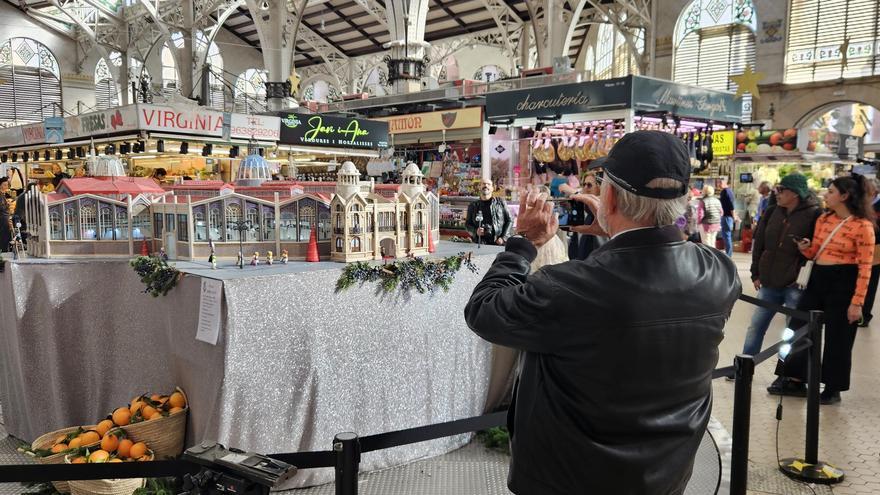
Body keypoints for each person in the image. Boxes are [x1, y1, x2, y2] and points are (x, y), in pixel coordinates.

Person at [464, 131, 741, 495]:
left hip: (569, 479)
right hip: (666, 474)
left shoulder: (569, 287)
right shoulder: (719, 273)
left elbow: (483, 311)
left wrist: (522, 246)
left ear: (607, 197)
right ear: (684, 199)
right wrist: (618, 233)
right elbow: (657, 270)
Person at [777, 175, 876, 405]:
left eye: (830, 191)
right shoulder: (823, 220)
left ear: (845, 196)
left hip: (844, 281)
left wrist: (857, 302)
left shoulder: (863, 226)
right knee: (798, 326)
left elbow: (865, 267)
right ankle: (793, 376)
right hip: (818, 278)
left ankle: (833, 387)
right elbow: (815, 253)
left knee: (838, 336)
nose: (825, 194)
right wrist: (806, 248)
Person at [732, 174, 820, 384]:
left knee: (793, 332)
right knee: (756, 326)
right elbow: (759, 243)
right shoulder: (772, 211)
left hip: (794, 283)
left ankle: (786, 373)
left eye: (781, 190)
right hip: (769, 281)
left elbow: (817, 247)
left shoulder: (814, 215)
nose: (777, 194)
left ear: (795, 193)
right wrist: (755, 273)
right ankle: (745, 367)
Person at [465, 178, 512, 245]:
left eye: (488, 184)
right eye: (483, 184)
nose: (486, 186)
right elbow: (467, 224)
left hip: (498, 243)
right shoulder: (473, 205)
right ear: (479, 187)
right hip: (480, 243)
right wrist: (475, 232)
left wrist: (503, 238)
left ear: (493, 188)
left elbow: (510, 220)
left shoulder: (501, 203)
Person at [858, 182, 880, 327]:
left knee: (870, 281)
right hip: (860, 247)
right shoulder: (861, 206)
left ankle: (865, 315)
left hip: (876, 248)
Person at [719, 178, 739, 256]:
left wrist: (734, 216)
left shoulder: (726, 191)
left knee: (726, 236)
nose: (719, 184)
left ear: (725, 182)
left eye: (720, 182)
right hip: (727, 216)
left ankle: (729, 254)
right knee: (726, 236)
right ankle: (728, 252)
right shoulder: (728, 191)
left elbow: (731, 205)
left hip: (727, 216)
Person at [0, 178, 12, 252]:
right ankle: (3, 250)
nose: (6, 186)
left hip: (4, 217)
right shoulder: (0, 195)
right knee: (4, 235)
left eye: (7, 185)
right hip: (3, 218)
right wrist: (8, 204)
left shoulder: (2, 194)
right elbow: (1, 207)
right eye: (5, 185)